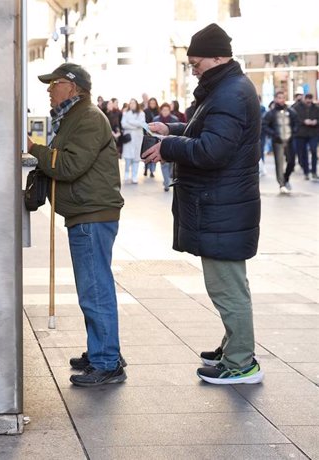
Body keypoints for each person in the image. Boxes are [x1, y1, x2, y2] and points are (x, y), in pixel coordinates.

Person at [142, 23, 264, 384]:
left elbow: (214, 150)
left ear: (218, 57)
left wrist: (168, 148)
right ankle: (233, 348)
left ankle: (242, 363)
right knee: (228, 284)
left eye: (196, 63)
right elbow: (207, 133)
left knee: (227, 287)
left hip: (222, 204)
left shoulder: (229, 93)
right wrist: (174, 130)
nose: (192, 69)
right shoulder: (224, 89)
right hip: (221, 203)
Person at [27, 63, 126, 386]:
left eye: (53, 83)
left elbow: (69, 165)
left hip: (92, 215)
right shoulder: (75, 117)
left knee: (94, 289)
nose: (48, 90)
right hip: (86, 213)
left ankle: (107, 361)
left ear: (73, 87)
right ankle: (101, 349)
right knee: (93, 287)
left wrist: (33, 149)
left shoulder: (86, 118)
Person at [262, 91, 299, 193]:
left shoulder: (291, 112)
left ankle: (286, 178)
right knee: (279, 163)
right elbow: (264, 125)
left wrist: (294, 132)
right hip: (277, 141)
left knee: (291, 162)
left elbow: (296, 123)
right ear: (275, 99)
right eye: (279, 97)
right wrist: (274, 134)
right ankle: (281, 184)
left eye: (282, 97)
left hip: (290, 140)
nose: (281, 99)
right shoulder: (270, 113)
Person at [291, 93, 319, 180]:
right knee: (303, 153)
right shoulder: (297, 107)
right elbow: (295, 119)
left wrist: (316, 122)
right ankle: (306, 172)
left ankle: (314, 171)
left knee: (314, 150)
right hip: (301, 134)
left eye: (310, 99)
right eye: (307, 99)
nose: (308, 101)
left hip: (313, 133)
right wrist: (303, 121)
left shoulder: (316, 108)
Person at [153, 103, 179, 191]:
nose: (165, 112)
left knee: (171, 164)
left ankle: (167, 179)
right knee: (164, 165)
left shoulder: (174, 119)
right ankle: (166, 182)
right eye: (163, 110)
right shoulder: (156, 119)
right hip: (160, 145)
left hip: (172, 144)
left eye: (167, 110)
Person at [121, 98, 145, 184]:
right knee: (127, 158)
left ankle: (134, 176)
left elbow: (141, 123)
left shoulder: (141, 113)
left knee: (136, 158)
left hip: (138, 138)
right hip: (129, 138)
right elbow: (123, 124)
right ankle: (126, 174)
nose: (132, 105)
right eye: (130, 103)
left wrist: (130, 122)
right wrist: (135, 125)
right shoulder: (125, 113)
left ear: (136, 104)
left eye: (133, 103)